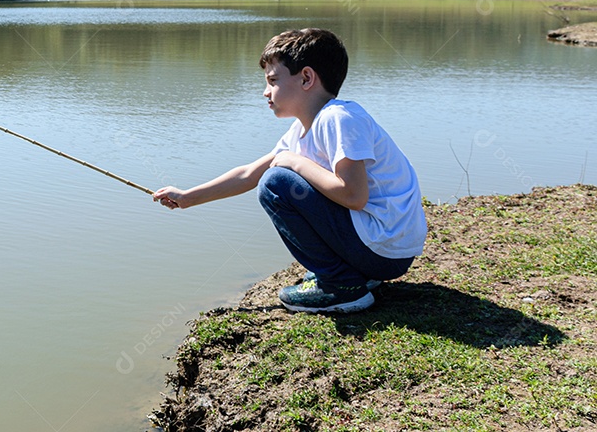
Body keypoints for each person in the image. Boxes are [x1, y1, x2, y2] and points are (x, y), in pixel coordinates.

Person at [153, 28, 427, 313]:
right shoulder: (303, 129)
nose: (265, 92)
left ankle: (342, 286)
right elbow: (249, 174)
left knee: (276, 183)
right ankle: (351, 274)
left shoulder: (339, 118)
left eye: (273, 81)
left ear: (307, 78)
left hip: (383, 250)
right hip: (382, 250)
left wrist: (295, 163)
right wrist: (188, 197)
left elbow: (354, 196)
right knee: (275, 175)